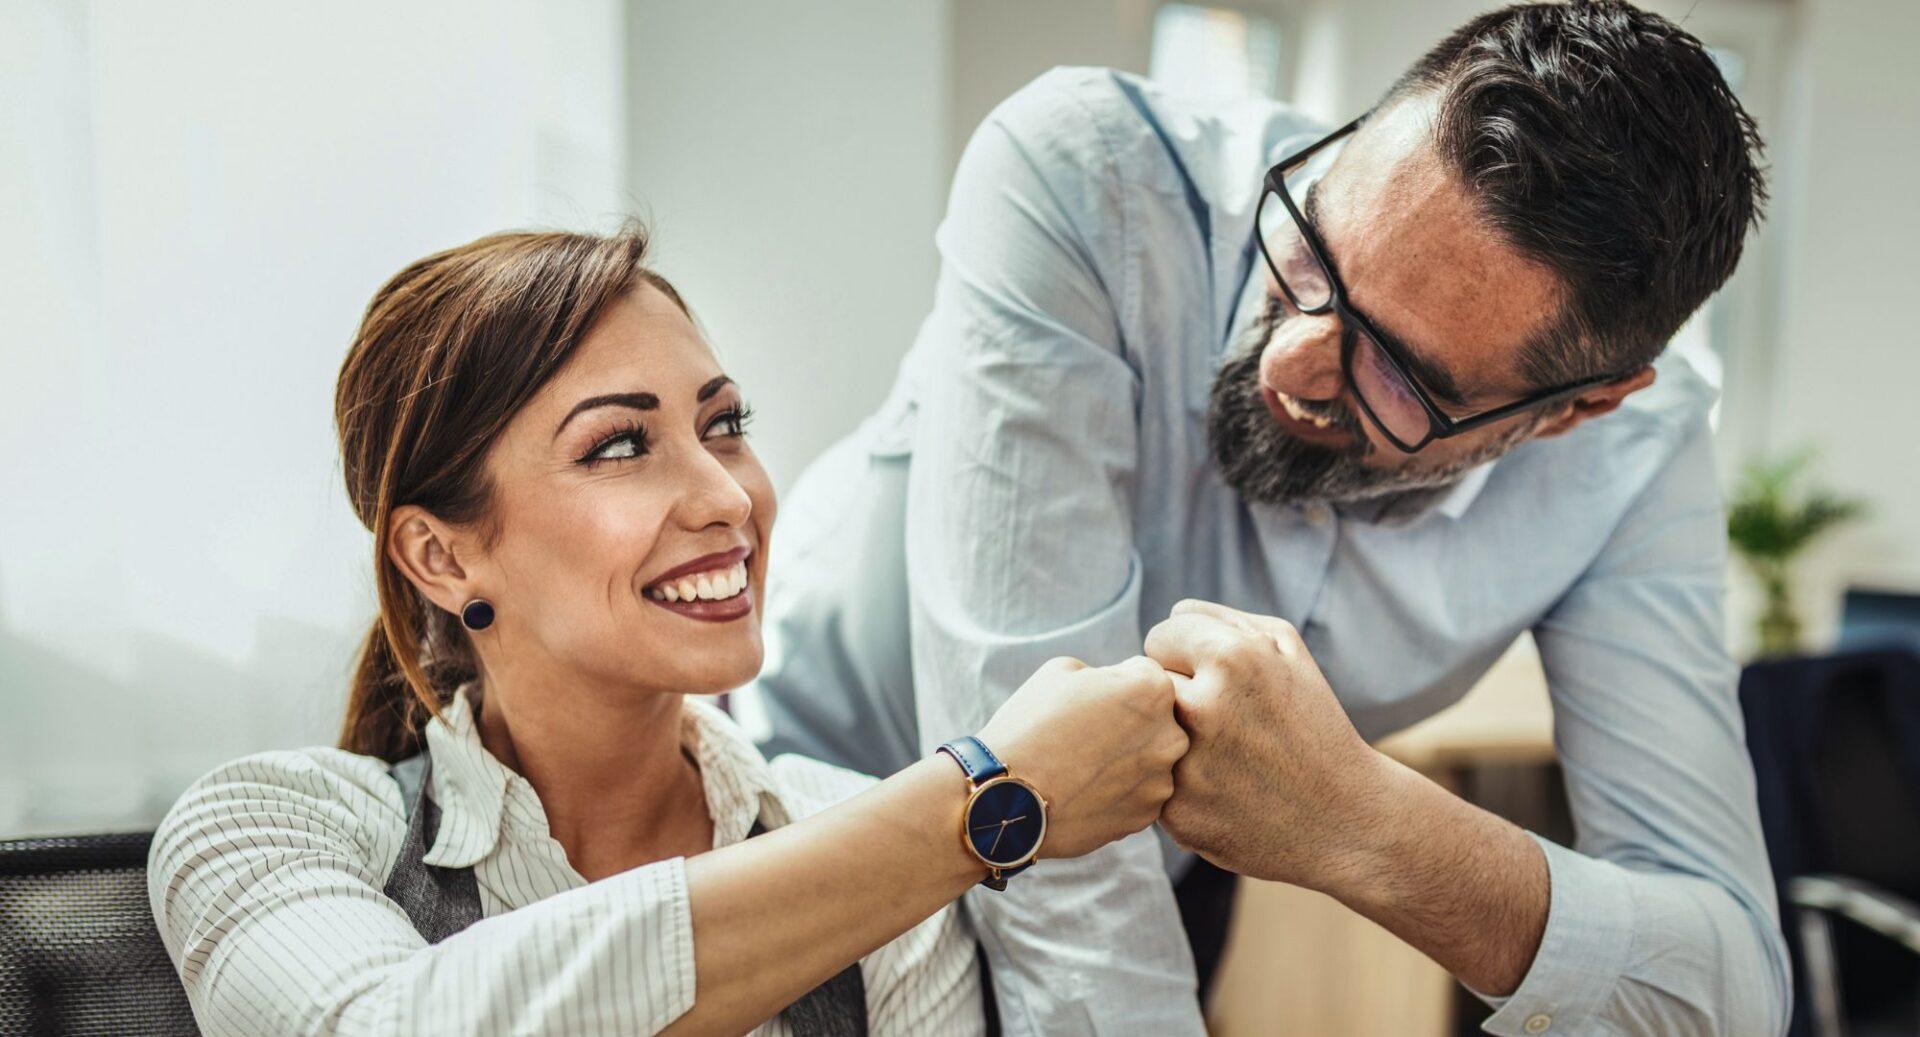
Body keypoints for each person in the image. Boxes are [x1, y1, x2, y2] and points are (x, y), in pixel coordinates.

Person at [750, 2, 1789, 1034]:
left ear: (1575, 410)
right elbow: (1049, 828)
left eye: (1402, 373)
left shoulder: (1635, 461)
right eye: (1311, 249)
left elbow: (1729, 989)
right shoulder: (1090, 182)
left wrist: (1363, 823)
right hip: (795, 821)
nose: (1292, 362)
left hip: (1155, 881)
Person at [147, 227, 1189, 1036]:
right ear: (442, 556)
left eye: (723, 424)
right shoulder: (266, 831)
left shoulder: (858, 830)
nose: (728, 497)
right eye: (619, 444)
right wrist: (978, 803)